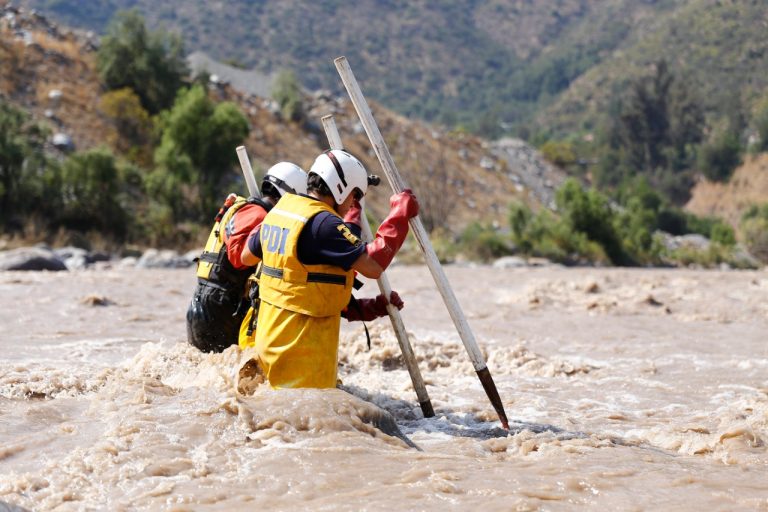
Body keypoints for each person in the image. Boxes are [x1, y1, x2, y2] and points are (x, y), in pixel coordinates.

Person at [242, 149, 419, 388]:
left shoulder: (282, 212)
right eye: (354, 196)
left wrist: (370, 307)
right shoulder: (323, 223)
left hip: (270, 353)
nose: (352, 204)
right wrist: (399, 215)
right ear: (340, 188)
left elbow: (248, 257)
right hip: (302, 366)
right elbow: (374, 265)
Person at [186, 162, 307, 353]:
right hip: (220, 307)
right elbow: (237, 256)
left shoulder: (250, 210)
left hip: (207, 303)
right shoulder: (258, 214)